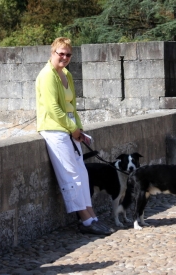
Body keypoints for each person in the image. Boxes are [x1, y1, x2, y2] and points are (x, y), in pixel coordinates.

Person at [36, 37, 114, 236]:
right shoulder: (47, 76)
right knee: (70, 175)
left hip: (69, 129)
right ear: (52, 53)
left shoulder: (66, 75)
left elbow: (73, 107)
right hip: (54, 129)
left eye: (68, 54)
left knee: (82, 173)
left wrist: (78, 129)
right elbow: (53, 108)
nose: (64, 57)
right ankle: (86, 220)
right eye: (60, 53)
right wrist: (72, 129)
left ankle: (92, 216)